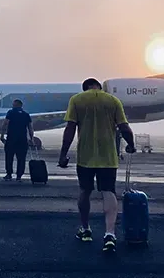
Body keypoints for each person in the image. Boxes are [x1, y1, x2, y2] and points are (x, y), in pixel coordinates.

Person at [58, 78, 136, 253]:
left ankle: (85, 229)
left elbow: (70, 129)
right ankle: (109, 234)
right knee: (108, 192)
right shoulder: (113, 100)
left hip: (85, 156)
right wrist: (131, 144)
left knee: (85, 191)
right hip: (108, 157)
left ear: (85, 88)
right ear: (100, 87)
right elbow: (124, 127)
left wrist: (63, 154)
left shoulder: (77, 100)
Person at [0, 98, 33, 181]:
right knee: (21, 159)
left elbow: (5, 124)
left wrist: (2, 135)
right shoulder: (26, 114)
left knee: (9, 157)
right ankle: (19, 176)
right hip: (22, 140)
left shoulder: (10, 113)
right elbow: (30, 128)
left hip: (11, 139)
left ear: (15, 105)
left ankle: (9, 174)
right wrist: (31, 139)